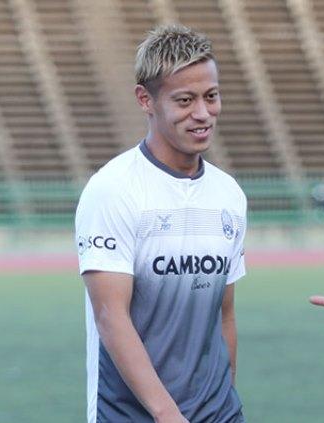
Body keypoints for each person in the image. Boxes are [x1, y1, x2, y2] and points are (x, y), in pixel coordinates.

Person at [75, 25, 246, 423]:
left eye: (211, 96)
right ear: (145, 99)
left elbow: (224, 314)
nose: (203, 113)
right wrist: (167, 414)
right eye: (185, 100)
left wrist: (226, 401)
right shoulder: (113, 190)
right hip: (132, 415)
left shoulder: (229, 194)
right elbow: (110, 317)